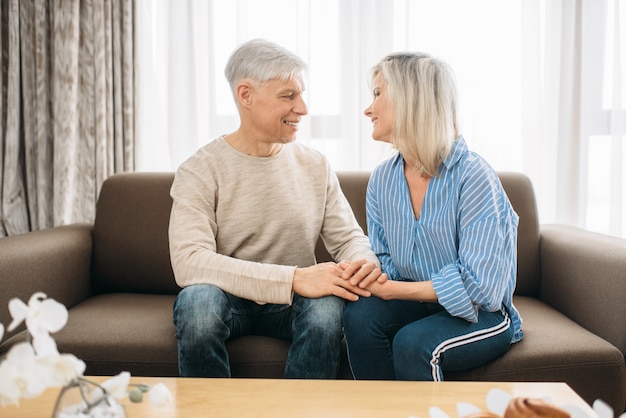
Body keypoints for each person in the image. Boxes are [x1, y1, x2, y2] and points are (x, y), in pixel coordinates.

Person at [169, 39, 384, 379]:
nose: (303, 108)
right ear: (246, 95)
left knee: (327, 310)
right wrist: (295, 278)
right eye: (288, 96)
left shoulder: (315, 165)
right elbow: (189, 262)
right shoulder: (200, 169)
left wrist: (362, 265)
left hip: (293, 303)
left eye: (301, 95)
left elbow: (348, 240)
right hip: (230, 298)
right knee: (197, 305)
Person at [342, 52, 524, 381]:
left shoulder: (474, 176)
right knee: (359, 314)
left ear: (411, 100)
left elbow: (481, 288)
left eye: (378, 94)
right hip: (416, 304)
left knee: (413, 343)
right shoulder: (382, 180)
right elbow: (384, 259)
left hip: (482, 314)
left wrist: (395, 291)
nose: (368, 109)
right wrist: (365, 275)